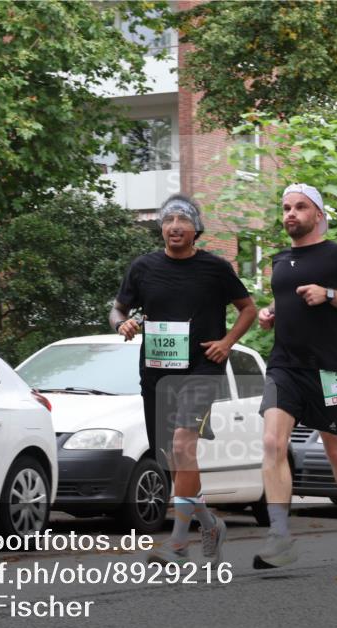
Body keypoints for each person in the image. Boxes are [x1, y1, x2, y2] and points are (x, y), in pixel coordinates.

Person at [110, 193, 256, 564]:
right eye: (168, 220)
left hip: (201, 369)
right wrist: (122, 324)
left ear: (196, 229)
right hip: (157, 372)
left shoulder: (215, 268)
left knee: (181, 445)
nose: (175, 226)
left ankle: (177, 543)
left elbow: (248, 309)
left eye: (183, 220)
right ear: (161, 228)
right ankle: (209, 523)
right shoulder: (143, 267)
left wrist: (227, 342)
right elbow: (117, 310)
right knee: (172, 459)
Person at [255, 183, 337, 569]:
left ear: (318, 215)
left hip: (330, 367)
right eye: (287, 207)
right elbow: (287, 298)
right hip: (284, 365)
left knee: (335, 446)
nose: (291, 214)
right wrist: (270, 311)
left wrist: (329, 295)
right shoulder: (279, 261)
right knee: (274, 442)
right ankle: (279, 535)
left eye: (300, 207)